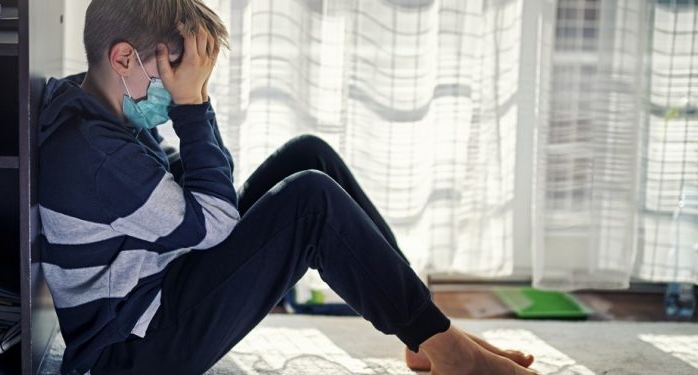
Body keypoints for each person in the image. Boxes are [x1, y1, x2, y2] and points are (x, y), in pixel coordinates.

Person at [37, 1, 539, 374]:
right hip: (129, 350)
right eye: (173, 75)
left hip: (158, 283)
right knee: (309, 203)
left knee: (307, 154)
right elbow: (212, 224)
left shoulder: (95, 100)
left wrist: (193, 104)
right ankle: (447, 348)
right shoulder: (96, 152)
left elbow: (172, 185)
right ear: (124, 58)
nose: (177, 91)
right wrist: (193, 108)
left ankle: (425, 329)